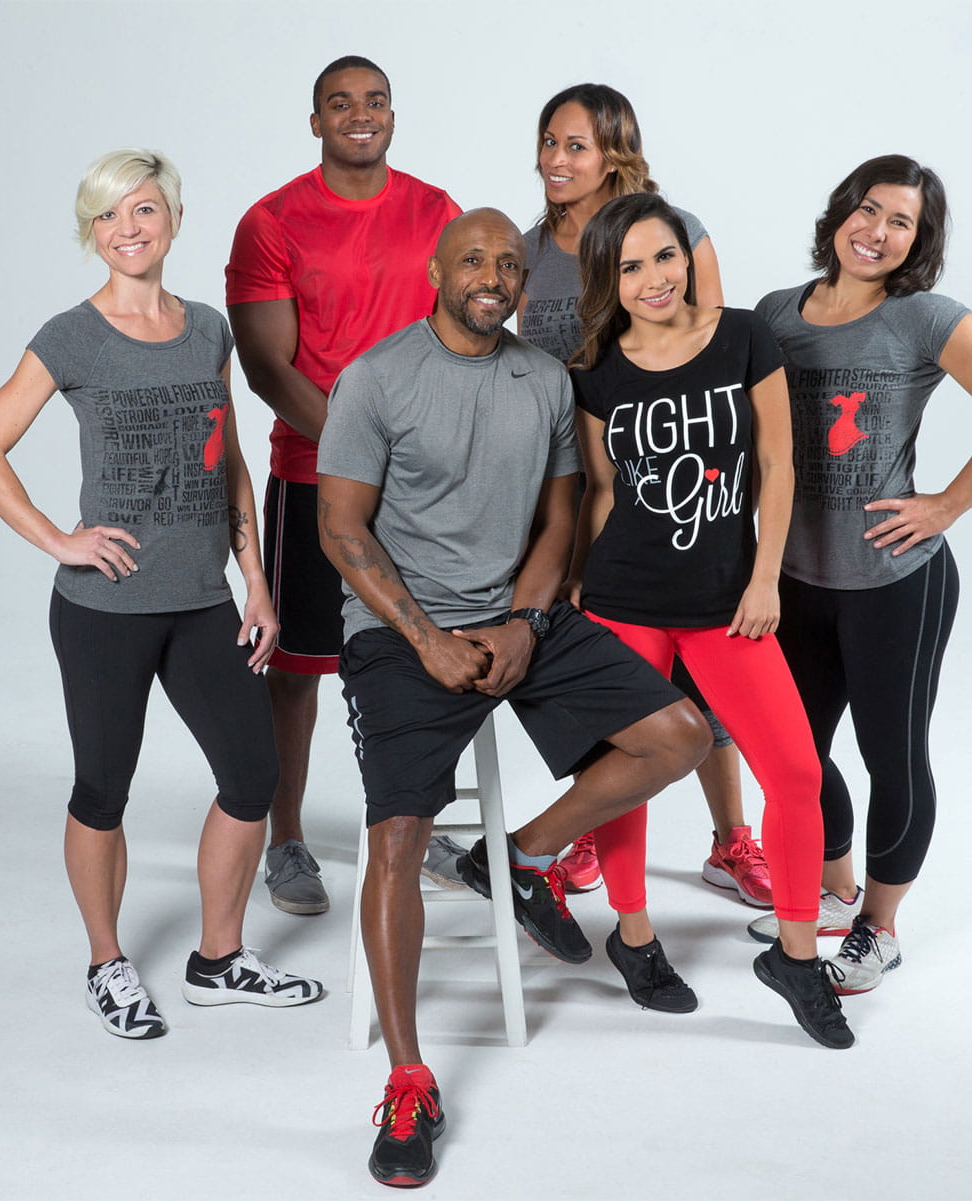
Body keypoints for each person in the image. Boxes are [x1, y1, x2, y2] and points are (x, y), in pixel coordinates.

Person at [316, 209, 711, 1187]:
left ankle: (519, 857)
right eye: (473, 259)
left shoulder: (542, 377)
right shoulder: (376, 377)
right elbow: (342, 530)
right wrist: (427, 639)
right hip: (402, 635)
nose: (493, 274)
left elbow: (562, 514)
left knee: (679, 732)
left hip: (520, 622)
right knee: (399, 838)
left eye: (505, 261)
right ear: (437, 269)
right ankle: (410, 1077)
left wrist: (522, 627)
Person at [0, 148, 322, 1040]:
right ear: (93, 232)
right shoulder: (71, 335)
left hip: (201, 600)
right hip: (103, 610)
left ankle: (219, 958)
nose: (128, 228)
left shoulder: (207, 329)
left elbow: (227, 458)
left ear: (174, 220)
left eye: (145, 210)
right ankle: (106, 961)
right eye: (110, 216)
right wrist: (60, 539)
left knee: (252, 774)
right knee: (102, 789)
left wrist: (259, 584)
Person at [748, 155, 972, 991]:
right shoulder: (778, 313)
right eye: (867, 209)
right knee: (794, 757)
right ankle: (837, 891)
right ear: (841, 211)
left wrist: (946, 504)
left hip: (893, 581)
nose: (876, 232)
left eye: (900, 222)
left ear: (919, 240)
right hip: (797, 578)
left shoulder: (924, 318)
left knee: (893, 753)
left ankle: (878, 927)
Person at [566, 192, 854, 1050]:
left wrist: (766, 575)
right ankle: (634, 933)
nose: (655, 279)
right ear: (607, 281)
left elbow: (777, 459)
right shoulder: (596, 367)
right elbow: (603, 491)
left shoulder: (741, 336)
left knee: (795, 774)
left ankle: (797, 956)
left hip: (729, 602)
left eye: (665, 257)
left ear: (687, 258)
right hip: (622, 601)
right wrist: (580, 584)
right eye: (631, 267)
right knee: (630, 774)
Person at [517, 83, 769, 905]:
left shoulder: (674, 234)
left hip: (679, 487)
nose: (556, 159)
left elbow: (718, 367)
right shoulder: (526, 251)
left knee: (705, 677)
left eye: (576, 146)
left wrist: (739, 527)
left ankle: (732, 840)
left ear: (616, 155)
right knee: (610, 667)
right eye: (549, 142)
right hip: (575, 485)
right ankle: (595, 827)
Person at [226, 55, 461, 916]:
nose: (360, 115)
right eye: (340, 103)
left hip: (425, 480)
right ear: (315, 119)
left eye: (376, 101)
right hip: (313, 473)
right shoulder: (273, 221)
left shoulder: (436, 212)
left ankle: (417, 822)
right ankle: (285, 838)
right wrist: (368, 451)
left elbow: (458, 335)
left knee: (428, 654)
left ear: (393, 113)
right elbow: (265, 367)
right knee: (296, 667)